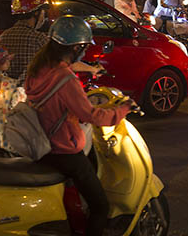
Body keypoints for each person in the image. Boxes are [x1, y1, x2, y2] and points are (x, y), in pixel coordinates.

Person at [26, 16, 132, 236]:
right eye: (83, 48)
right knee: (100, 206)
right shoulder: (65, 79)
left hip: (42, 145)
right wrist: (122, 110)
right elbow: (92, 114)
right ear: (76, 47)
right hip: (64, 150)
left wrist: (90, 70)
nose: (84, 51)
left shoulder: (39, 67)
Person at [0, 0, 50, 83]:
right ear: (36, 13)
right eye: (43, 12)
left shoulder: (3, 36)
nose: (44, 17)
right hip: (31, 89)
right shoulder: (38, 38)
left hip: (9, 89)